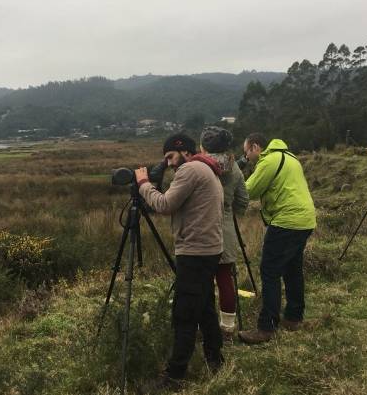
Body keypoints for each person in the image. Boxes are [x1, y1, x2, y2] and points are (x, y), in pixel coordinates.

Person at [134, 133, 224, 390]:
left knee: (184, 315)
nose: (170, 163)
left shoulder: (190, 170)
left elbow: (164, 205)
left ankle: (173, 378)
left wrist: (143, 184)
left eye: (170, 156)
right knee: (205, 308)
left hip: (195, 252)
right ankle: (215, 361)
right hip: (209, 249)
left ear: (183, 151)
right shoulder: (207, 168)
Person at [237, 133, 316, 345]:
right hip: (305, 219)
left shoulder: (269, 160)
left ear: (255, 147)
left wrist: (233, 179)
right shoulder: (290, 157)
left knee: (270, 271)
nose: (247, 157)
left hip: (286, 221)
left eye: (247, 153)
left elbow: (248, 191)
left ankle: (266, 327)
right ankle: (293, 317)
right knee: (292, 269)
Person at [199, 126, 249, 339]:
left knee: (202, 281)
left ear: (203, 146)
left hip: (201, 230)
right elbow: (243, 200)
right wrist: (230, 212)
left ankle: (204, 325)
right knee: (225, 279)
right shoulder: (234, 167)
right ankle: (227, 328)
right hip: (225, 229)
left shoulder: (199, 166)